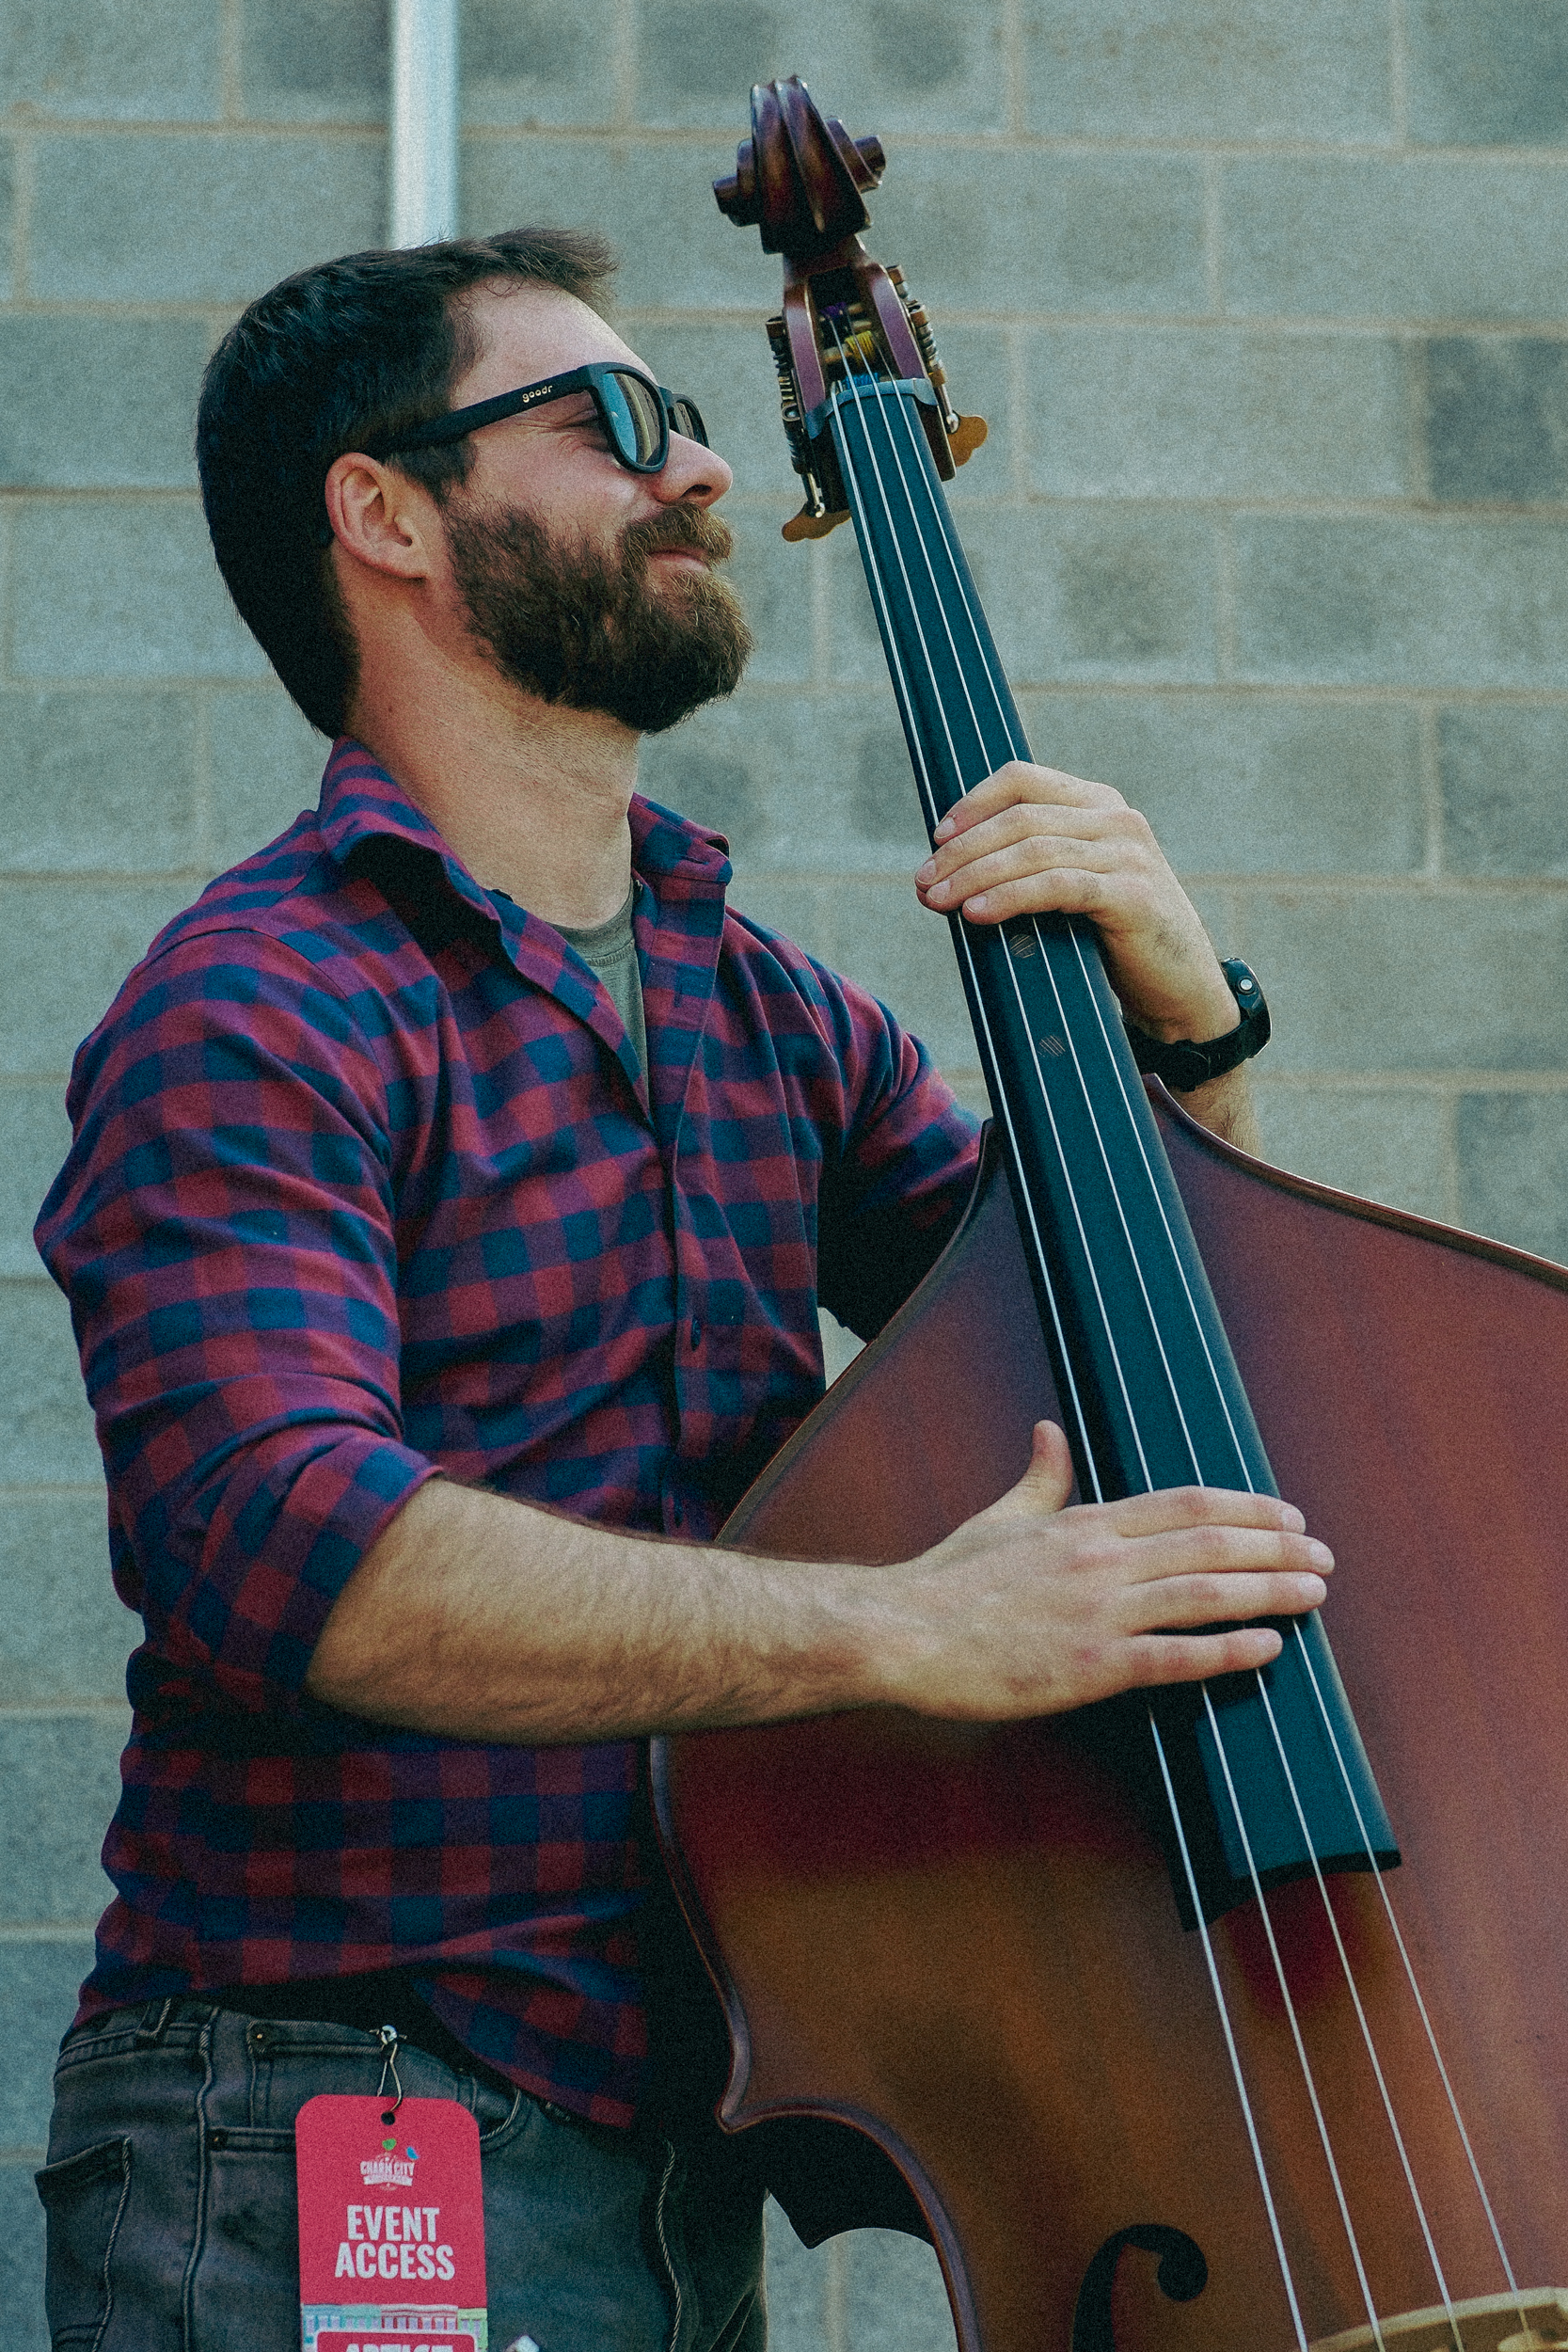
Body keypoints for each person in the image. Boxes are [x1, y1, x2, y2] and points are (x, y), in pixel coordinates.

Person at [33, 229, 1326, 2352]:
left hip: (672, 2163)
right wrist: (913, 1623)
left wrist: (1197, 1036)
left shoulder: (757, 1004)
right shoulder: (260, 999)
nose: (704, 475)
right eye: (614, 423)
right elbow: (288, 1547)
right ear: (386, 511)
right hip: (333, 2132)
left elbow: (1151, 1352)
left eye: (701, 425)